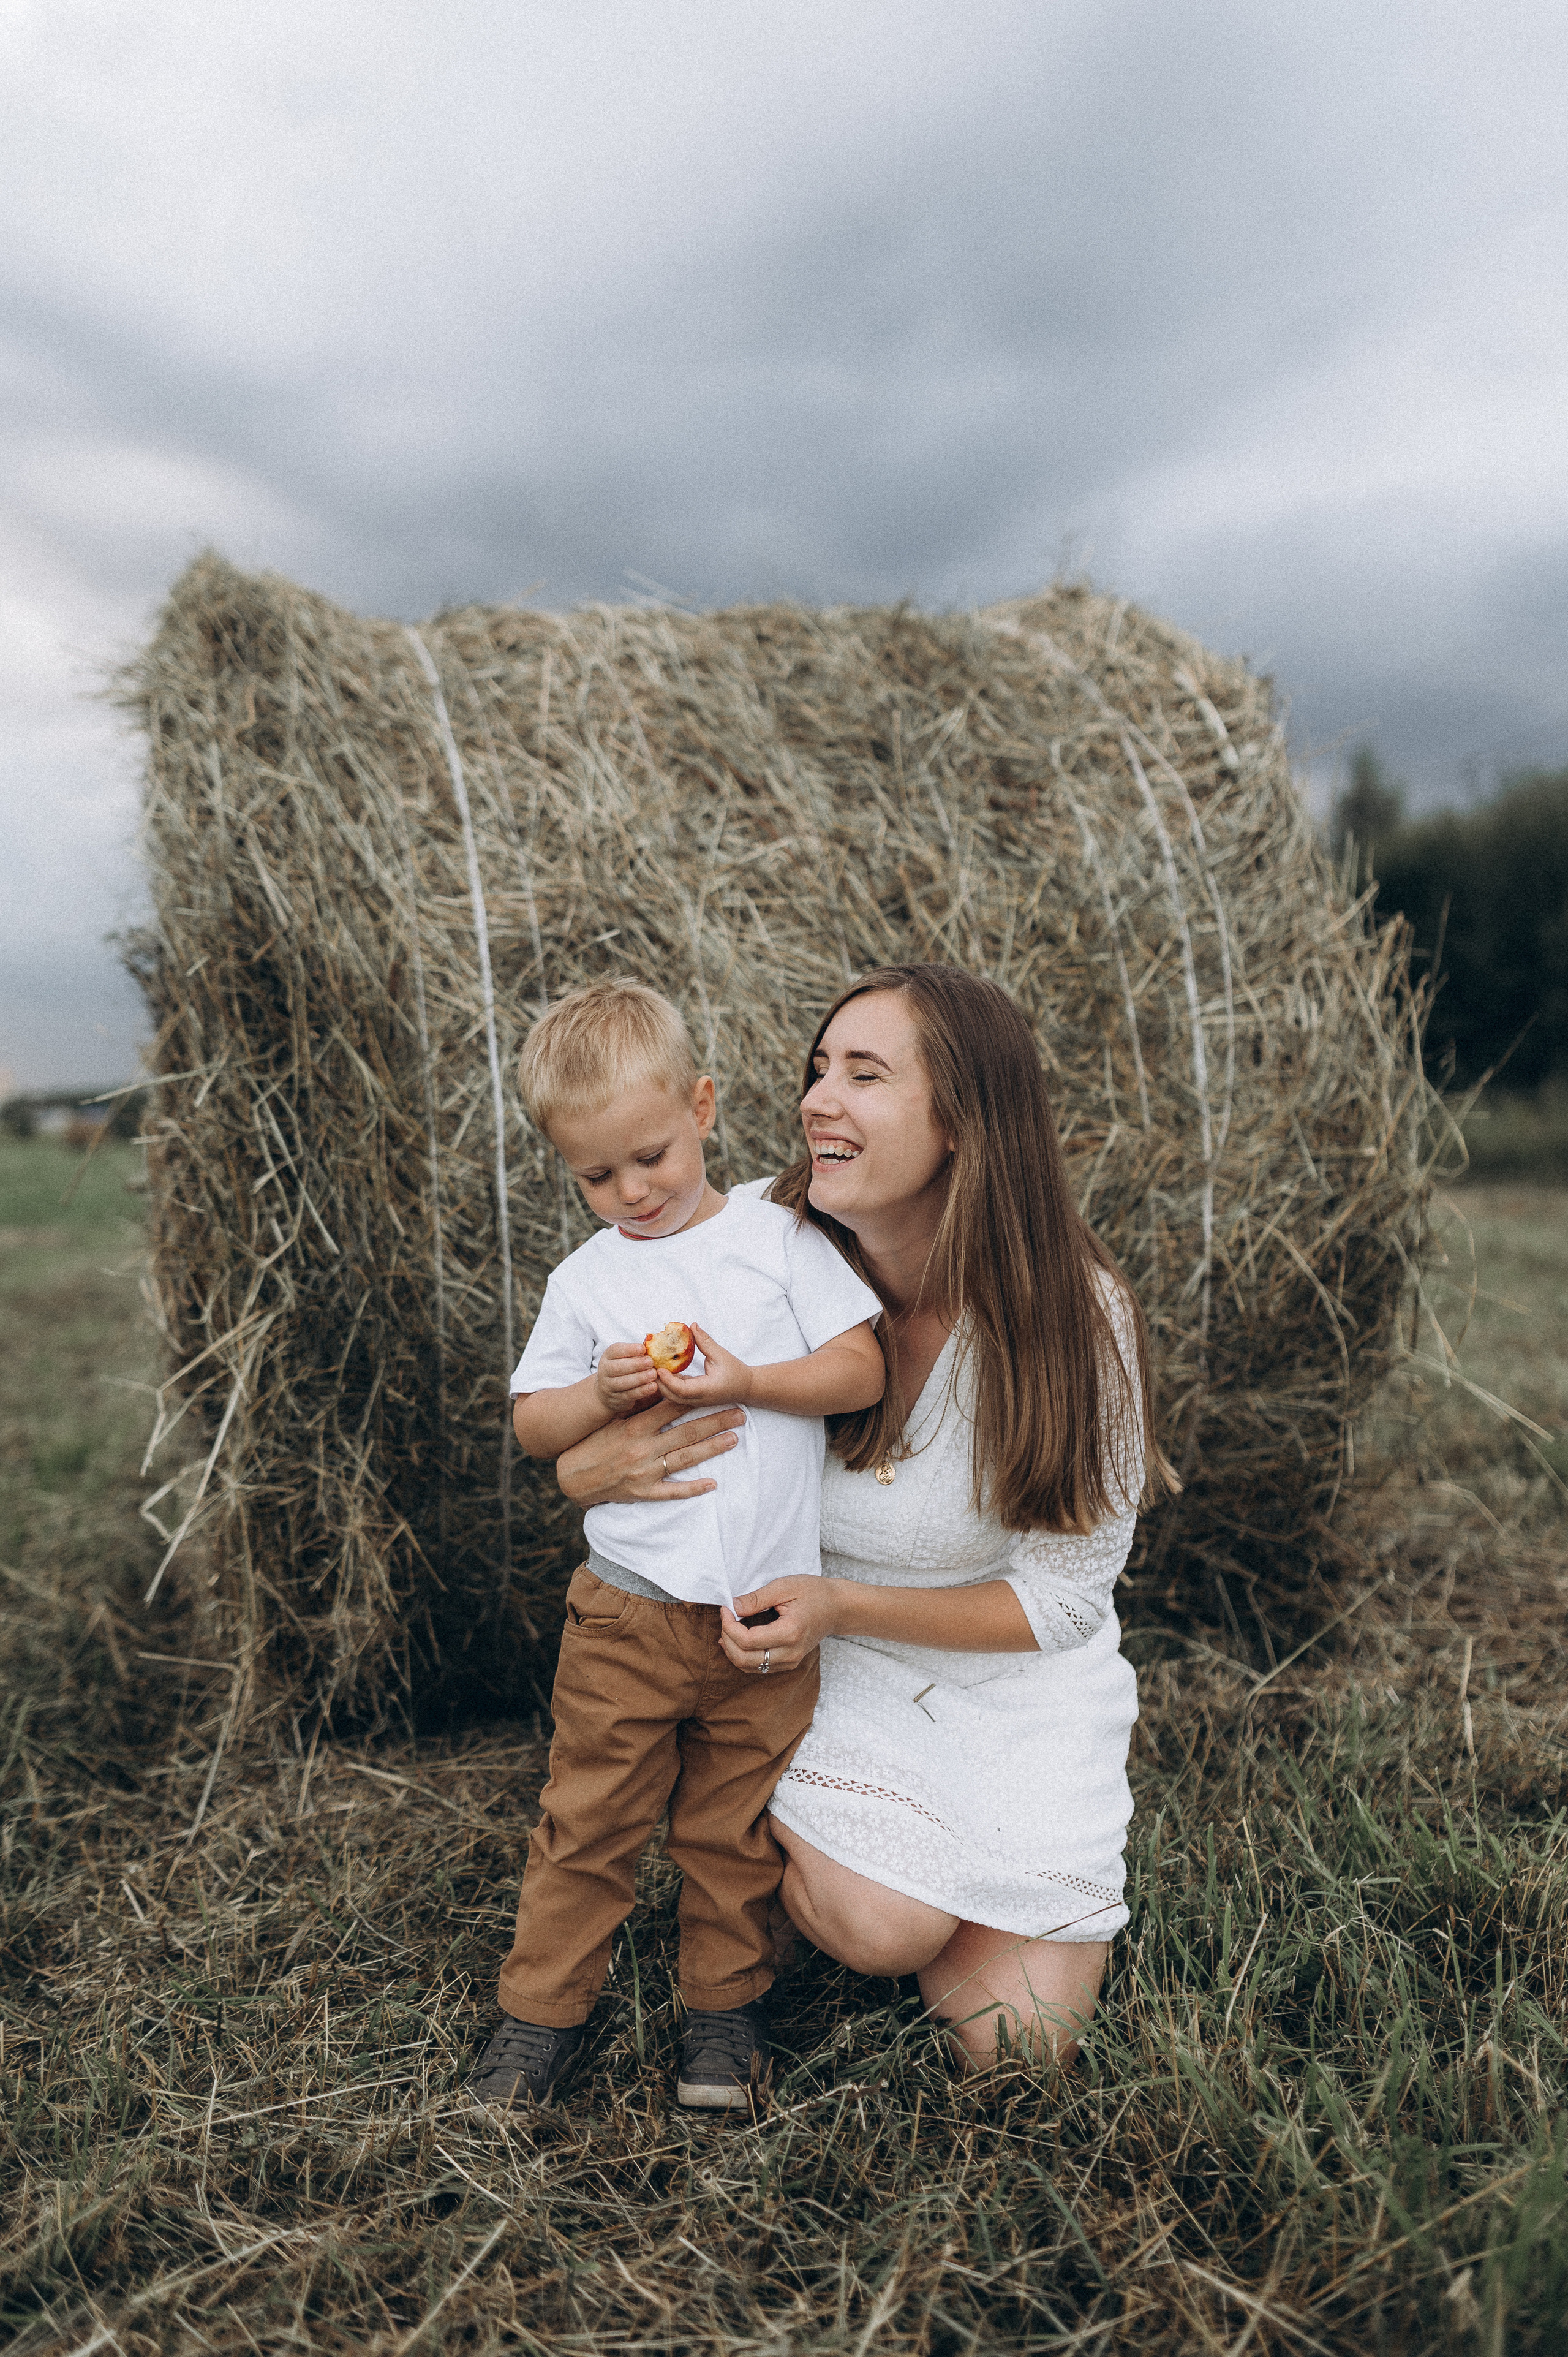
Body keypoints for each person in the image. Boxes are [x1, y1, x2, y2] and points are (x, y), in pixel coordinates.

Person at [554, 963, 1175, 2070]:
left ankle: (801, 1873)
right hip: (810, 1669)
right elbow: (595, 1435)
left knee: (1016, 2046)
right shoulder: (735, 1241)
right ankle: (758, 1853)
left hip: (1004, 1679)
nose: (814, 1100)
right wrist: (592, 1470)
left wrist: (843, 1599)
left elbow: (1066, 1598)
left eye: (864, 1074)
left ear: (960, 1122)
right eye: (816, 1069)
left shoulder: (1075, 1321)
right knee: (886, 1928)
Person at [467, 980, 884, 2114]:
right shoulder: (588, 1280)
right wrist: (599, 1398)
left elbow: (861, 1369)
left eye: (649, 1157)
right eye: (595, 1177)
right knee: (588, 1822)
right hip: (629, 1610)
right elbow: (532, 1423)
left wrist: (748, 1379)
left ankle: (722, 2018)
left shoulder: (779, 1239)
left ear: (703, 1108)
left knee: (732, 1832)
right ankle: (539, 2020)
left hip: (761, 1620)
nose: (631, 1192)